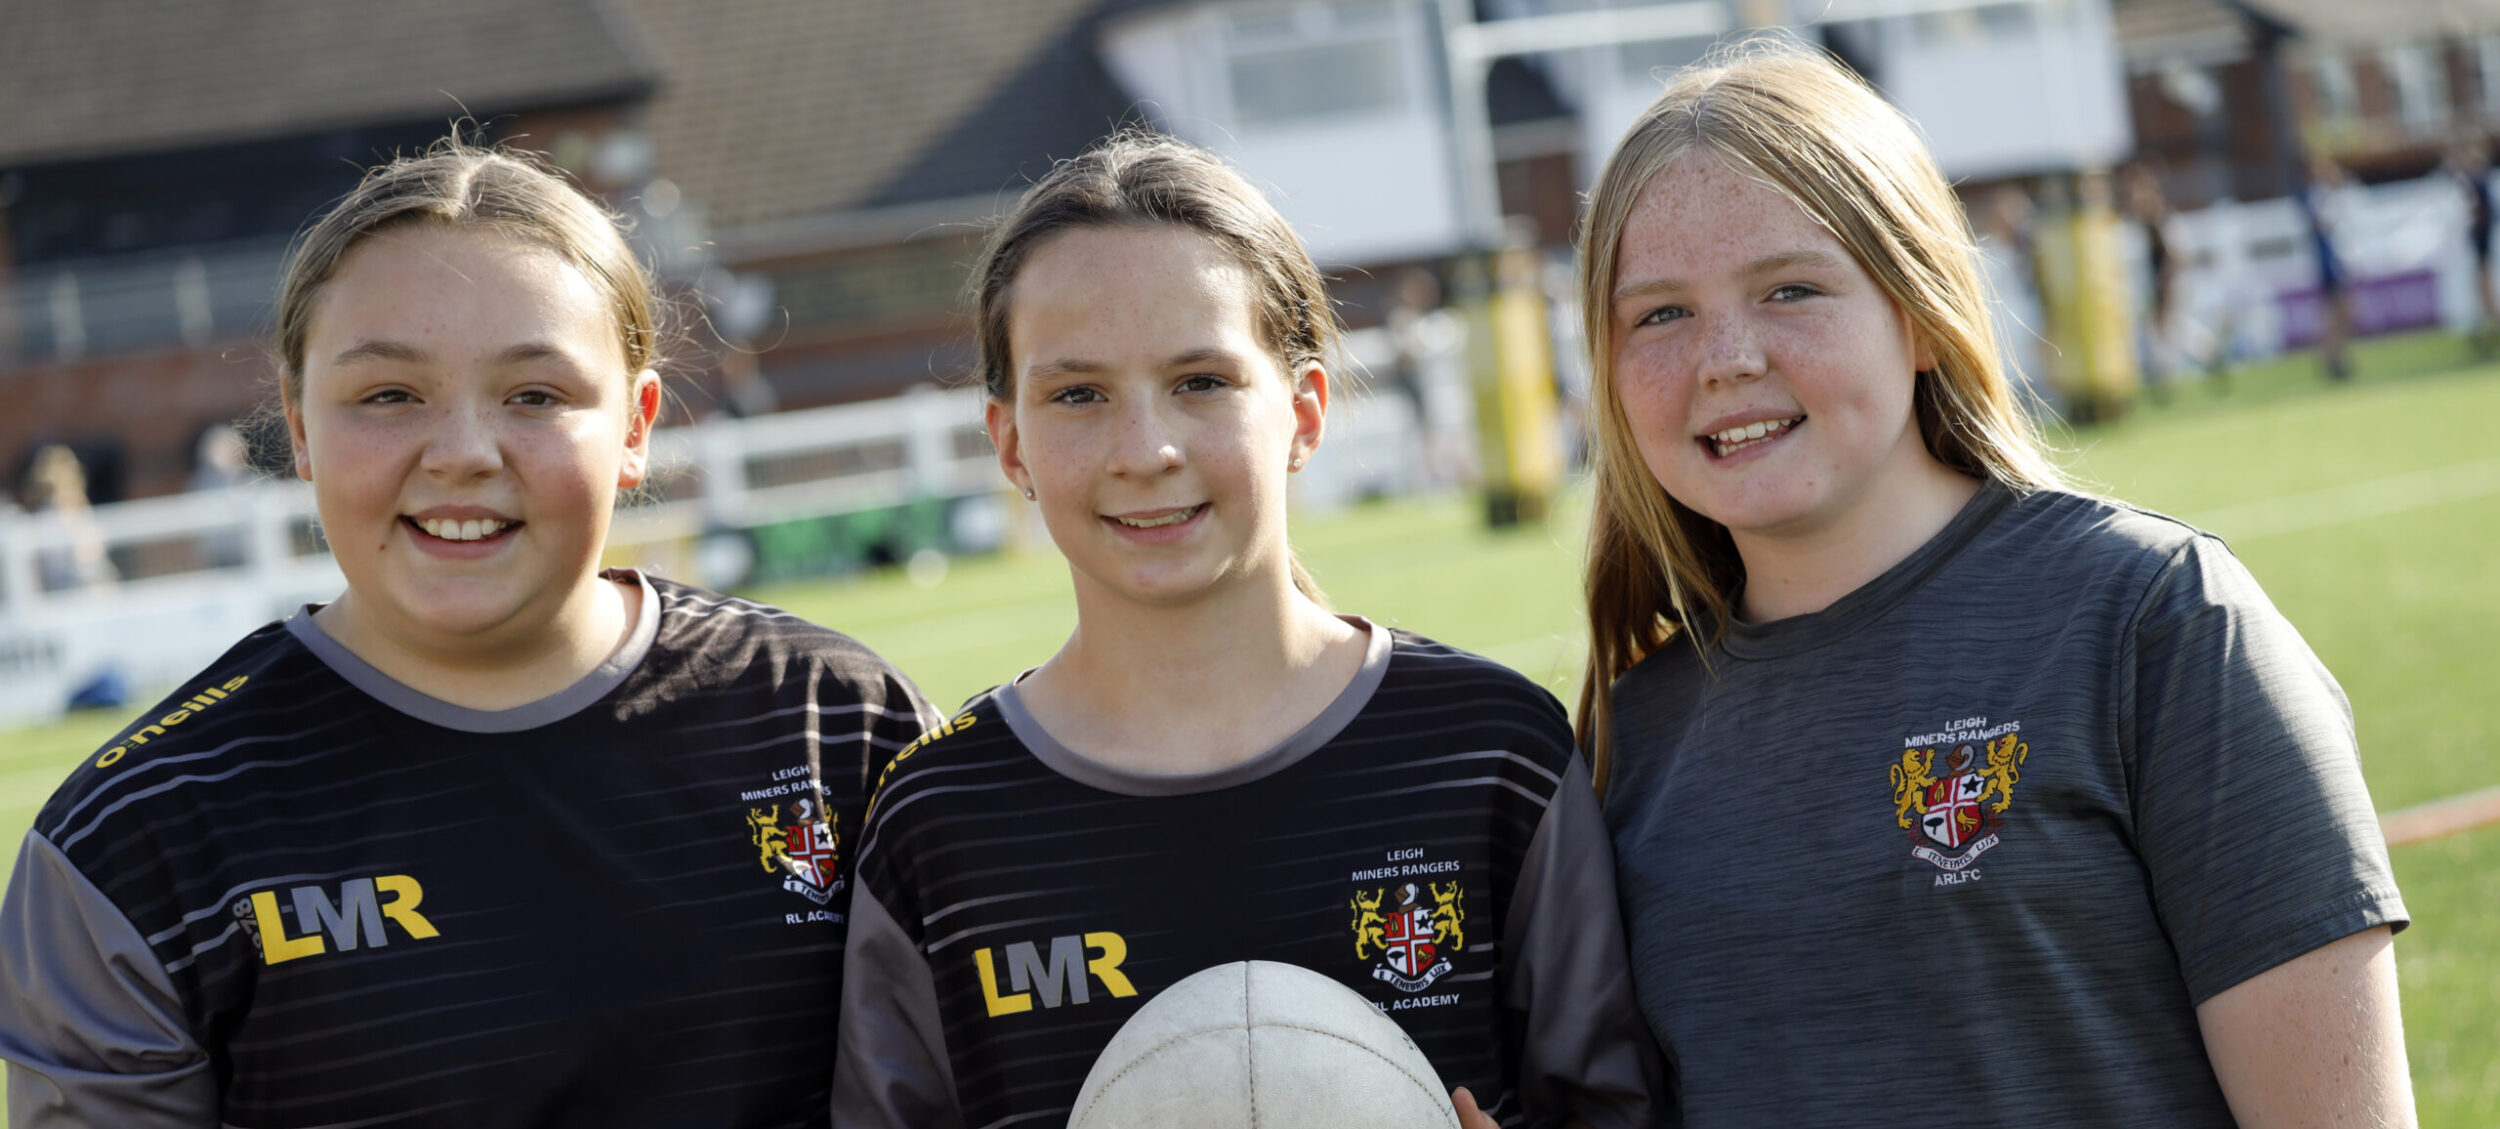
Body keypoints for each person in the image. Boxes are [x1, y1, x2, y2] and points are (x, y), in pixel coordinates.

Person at [0, 140, 937, 1128]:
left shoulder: (838, 725)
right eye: (389, 396)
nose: (460, 454)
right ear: (299, 424)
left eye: (535, 395)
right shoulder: (135, 838)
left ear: (636, 424)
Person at [1573, 43, 2412, 1128]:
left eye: (1790, 288)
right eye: (1660, 315)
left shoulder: (2156, 622)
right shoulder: (1624, 743)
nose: (1726, 357)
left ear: (1919, 311)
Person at [832, 133, 1661, 1129]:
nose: (1147, 450)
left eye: (1202, 381)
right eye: (1078, 394)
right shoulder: (940, 818)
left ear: (1304, 411)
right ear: (1009, 440)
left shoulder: (1491, 755)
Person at [2298, 154, 2356, 381]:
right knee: (2336, 313)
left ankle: (2335, 356)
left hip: (2333, 261)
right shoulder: (2319, 197)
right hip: (2328, 263)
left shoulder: (2326, 197)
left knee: (2341, 312)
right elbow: (2324, 228)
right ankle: (2331, 358)